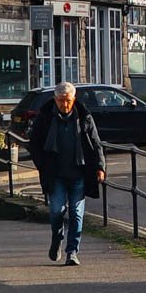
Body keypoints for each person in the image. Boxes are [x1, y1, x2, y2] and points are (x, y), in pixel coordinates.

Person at [27, 81, 105, 266]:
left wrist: (100, 167)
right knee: (56, 211)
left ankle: (72, 252)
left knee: (76, 214)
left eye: (68, 100)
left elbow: (95, 143)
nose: (64, 104)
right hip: (55, 175)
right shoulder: (45, 118)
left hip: (79, 172)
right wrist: (42, 166)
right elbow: (34, 145)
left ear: (74, 99)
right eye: (61, 101)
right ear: (55, 100)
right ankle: (57, 238)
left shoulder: (84, 117)